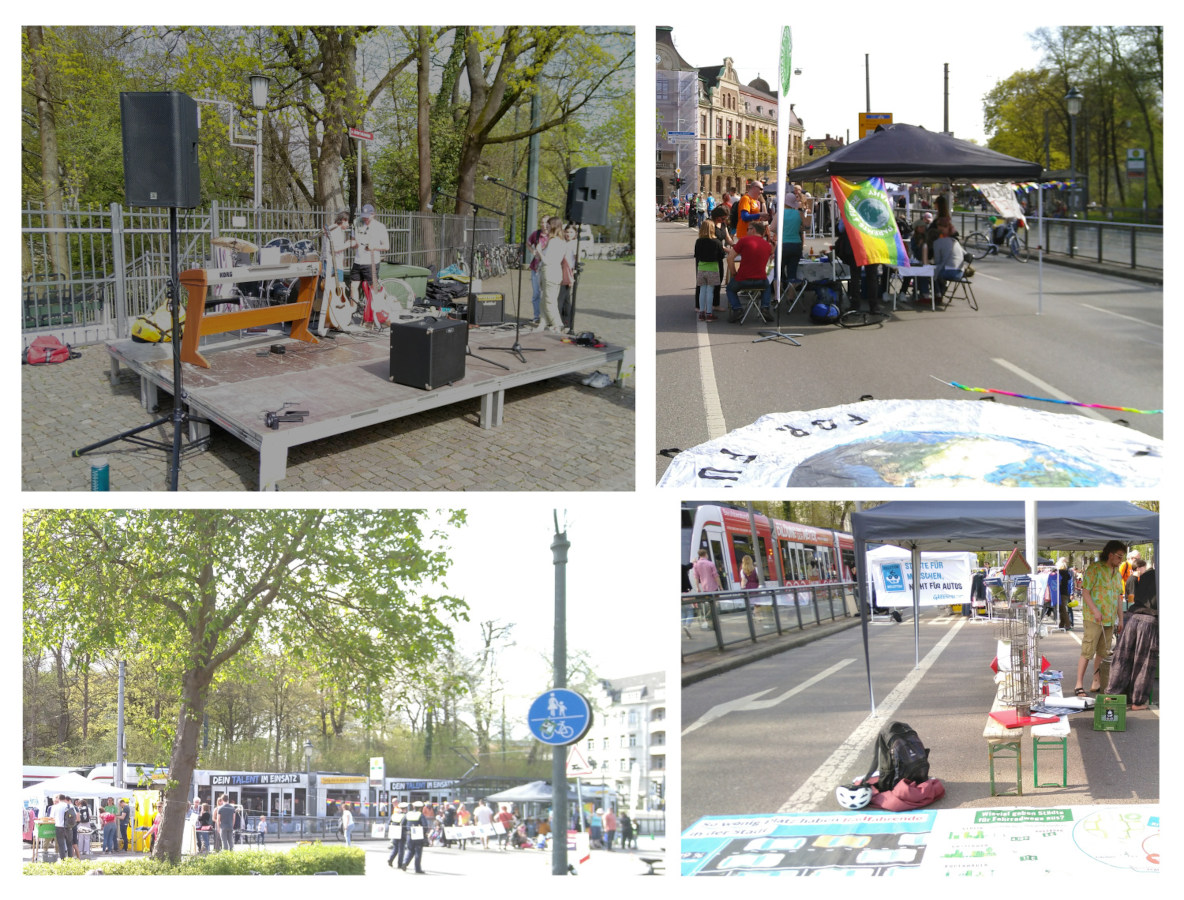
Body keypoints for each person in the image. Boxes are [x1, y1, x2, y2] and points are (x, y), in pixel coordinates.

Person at [1075, 540, 1126, 697]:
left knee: (1103, 653)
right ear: (1110, 555)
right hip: (1093, 618)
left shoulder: (1117, 574)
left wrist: (1121, 619)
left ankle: (1096, 680)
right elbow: (1085, 592)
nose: (1121, 561)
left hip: (1110, 620)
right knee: (1088, 650)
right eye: (1119, 557)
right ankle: (1078, 684)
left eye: (1122, 557)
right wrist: (1095, 610)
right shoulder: (1094, 569)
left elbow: (1119, 597)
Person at [1105, 558, 1157, 710]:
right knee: (1143, 662)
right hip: (1150, 620)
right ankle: (1137, 701)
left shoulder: (1146, 575)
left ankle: (1112, 695)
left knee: (1123, 657)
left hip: (1133, 616)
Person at [725, 220, 773, 322]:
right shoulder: (768, 245)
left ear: (753, 230)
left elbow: (730, 258)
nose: (746, 232)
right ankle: (765, 308)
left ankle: (737, 309)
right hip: (761, 279)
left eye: (748, 229)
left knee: (730, 289)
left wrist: (734, 273)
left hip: (743, 278)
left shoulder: (744, 240)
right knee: (767, 287)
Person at [349, 204, 389, 305]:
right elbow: (353, 241)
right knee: (353, 286)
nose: (365, 218)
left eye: (367, 216)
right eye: (363, 216)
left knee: (372, 289)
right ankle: (353, 310)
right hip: (358, 261)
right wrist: (353, 244)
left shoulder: (380, 227)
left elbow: (386, 246)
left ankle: (374, 311)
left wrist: (374, 247)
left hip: (371, 262)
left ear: (373, 214)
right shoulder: (357, 223)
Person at [537, 217, 569, 333]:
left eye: (549, 225)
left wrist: (539, 251)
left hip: (550, 272)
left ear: (554, 226)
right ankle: (543, 322)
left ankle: (557, 324)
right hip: (555, 272)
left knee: (549, 301)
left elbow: (547, 260)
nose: (547, 226)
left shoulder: (554, 241)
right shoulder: (561, 241)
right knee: (546, 299)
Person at [694, 219, 726, 322]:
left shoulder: (698, 241)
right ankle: (709, 313)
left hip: (701, 268)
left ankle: (701, 312)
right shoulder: (716, 242)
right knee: (710, 291)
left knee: (702, 290)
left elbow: (696, 255)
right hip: (713, 268)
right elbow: (721, 255)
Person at [778, 185, 809, 286]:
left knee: (778, 271)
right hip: (796, 244)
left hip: (783, 244)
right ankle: (791, 298)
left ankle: (780, 293)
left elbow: (773, 228)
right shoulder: (798, 213)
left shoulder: (781, 213)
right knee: (792, 273)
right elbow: (806, 227)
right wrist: (799, 228)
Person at [931, 221, 965, 302]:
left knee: (931, 273)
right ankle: (941, 291)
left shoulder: (937, 242)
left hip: (949, 272)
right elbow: (966, 254)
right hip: (960, 273)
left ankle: (938, 293)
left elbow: (938, 261)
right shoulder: (955, 241)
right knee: (940, 271)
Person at [324, 209, 355, 285]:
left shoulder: (332, 228)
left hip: (330, 263)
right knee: (337, 290)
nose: (348, 225)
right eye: (347, 222)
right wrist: (348, 244)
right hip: (334, 265)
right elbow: (334, 249)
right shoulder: (336, 230)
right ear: (343, 220)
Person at [527, 216, 548, 326]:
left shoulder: (552, 236)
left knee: (545, 294)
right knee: (536, 293)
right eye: (542, 222)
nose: (544, 225)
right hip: (536, 267)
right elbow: (528, 243)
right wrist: (533, 251)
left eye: (546, 222)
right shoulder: (536, 234)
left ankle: (546, 316)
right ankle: (536, 315)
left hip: (546, 268)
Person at [400, 801, 426, 873]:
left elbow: (402, 823)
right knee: (418, 851)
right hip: (418, 835)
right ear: (420, 808)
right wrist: (424, 833)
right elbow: (425, 825)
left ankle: (405, 863)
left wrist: (406, 831)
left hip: (409, 834)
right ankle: (417, 869)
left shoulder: (408, 814)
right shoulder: (420, 815)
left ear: (413, 807)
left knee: (410, 850)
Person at [1057, 558, 1076, 631]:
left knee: (1063, 609)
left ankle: (1067, 624)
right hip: (1065, 592)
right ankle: (1062, 624)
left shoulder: (1059, 573)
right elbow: (1070, 582)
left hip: (1061, 593)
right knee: (1063, 609)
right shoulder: (1067, 573)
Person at [387, 801, 406, 867]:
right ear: (404, 809)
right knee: (401, 849)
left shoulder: (394, 815)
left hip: (394, 832)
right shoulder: (404, 816)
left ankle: (390, 859)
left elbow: (389, 823)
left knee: (395, 848)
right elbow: (405, 825)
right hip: (401, 833)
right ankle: (399, 864)